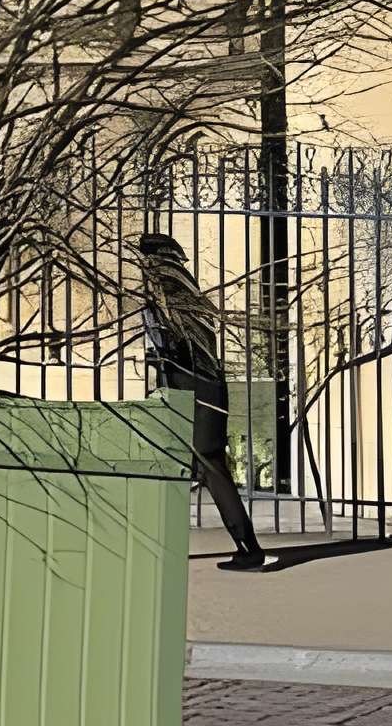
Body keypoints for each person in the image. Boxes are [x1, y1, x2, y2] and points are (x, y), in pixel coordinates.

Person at [135, 233, 266, 570]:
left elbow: (181, 347)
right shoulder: (175, 290)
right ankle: (245, 548)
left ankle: (250, 550)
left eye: (147, 258)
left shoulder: (172, 291)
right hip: (195, 391)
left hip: (196, 393)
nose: (144, 266)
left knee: (209, 468)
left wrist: (162, 355)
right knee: (194, 469)